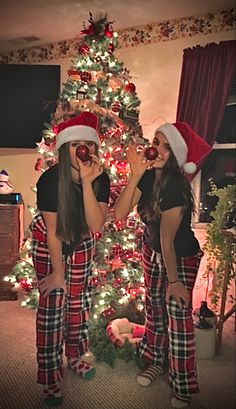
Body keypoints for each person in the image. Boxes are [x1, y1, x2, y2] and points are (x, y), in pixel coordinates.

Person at [114, 122, 212, 408]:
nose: (157, 148)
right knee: (154, 312)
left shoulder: (175, 187)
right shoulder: (146, 178)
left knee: (178, 317)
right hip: (152, 250)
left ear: (175, 156)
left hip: (180, 257)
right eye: (157, 141)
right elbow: (119, 213)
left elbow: (169, 240)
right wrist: (134, 175)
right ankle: (156, 362)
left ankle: (182, 385)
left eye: (167, 147)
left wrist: (175, 282)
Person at [31, 111, 110, 406]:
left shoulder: (101, 178)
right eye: (75, 143)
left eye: (87, 143)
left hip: (81, 240)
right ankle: (50, 377)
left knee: (77, 305)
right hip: (50, 243)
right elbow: (53, 232)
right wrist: (58, 274)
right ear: (65, 148)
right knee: (53, 308)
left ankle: (74, 356)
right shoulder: (50, 180)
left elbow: (96, 225)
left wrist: (89, 183)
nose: (82, 149)